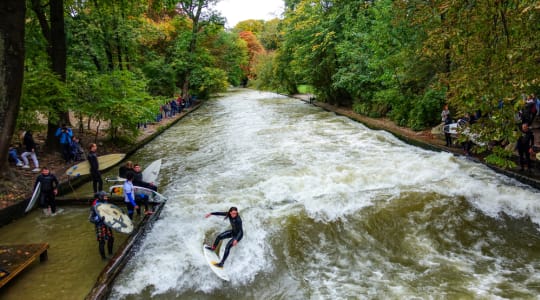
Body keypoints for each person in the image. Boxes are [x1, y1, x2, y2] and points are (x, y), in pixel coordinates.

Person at [89, 191, 114, 260]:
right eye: (105, 196)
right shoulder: (94, 206)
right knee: (102, 242)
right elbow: (90, 219)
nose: (106, 198)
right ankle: (103, 258)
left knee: (111, 239)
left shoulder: (105, 203)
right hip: (99, 225)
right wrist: (98, 220)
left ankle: (110, 253)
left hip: (107, 223)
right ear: (101, 197)